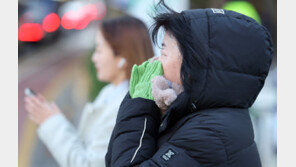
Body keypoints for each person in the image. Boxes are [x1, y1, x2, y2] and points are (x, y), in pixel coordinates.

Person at [105, 1, 274, 167]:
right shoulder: (200, 116)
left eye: (164, 52)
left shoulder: (209, 134)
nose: (155, 62)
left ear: (193, 64)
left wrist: (140, 103)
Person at [24, 15, 154, 167]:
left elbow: (88, 164)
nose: (94, 58)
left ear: (122, 58)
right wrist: (54, 119)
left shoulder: (121, 107)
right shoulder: (112, 92)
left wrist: (52, 122)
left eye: (99, 50)